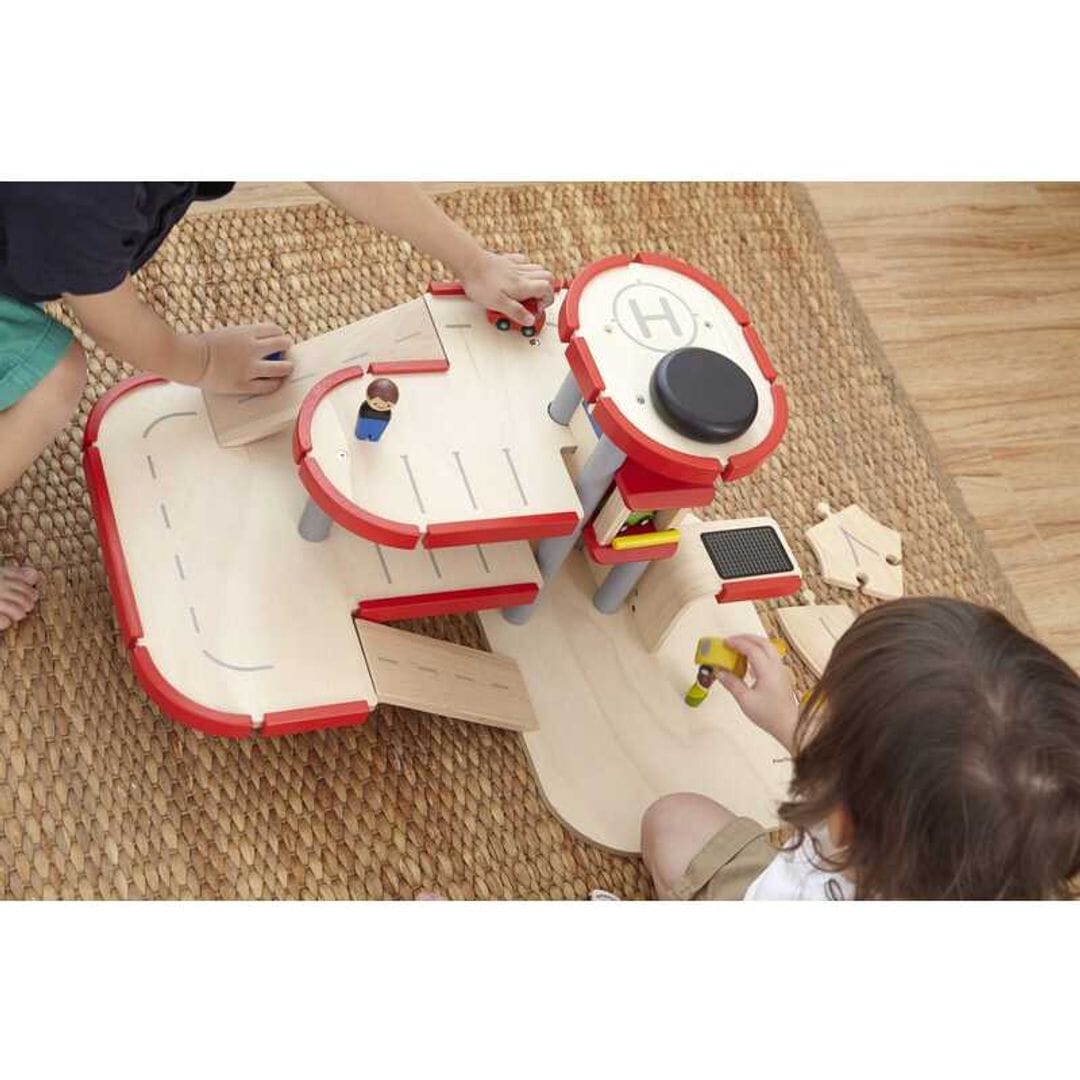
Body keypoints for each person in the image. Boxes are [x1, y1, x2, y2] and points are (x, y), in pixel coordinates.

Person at [0, 182, 556, 630]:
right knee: (54, 377)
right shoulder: (77, 192)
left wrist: (471, 260)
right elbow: (109, 318)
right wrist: (203, 362)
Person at [641, 597, 1080, 900]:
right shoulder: (981, 863)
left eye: (829, 719)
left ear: (847, 818)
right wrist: (786, 720)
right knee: (678, 820)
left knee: (672, 821)